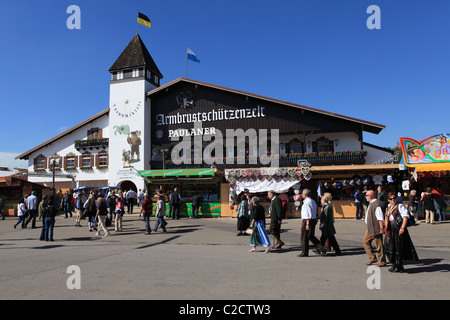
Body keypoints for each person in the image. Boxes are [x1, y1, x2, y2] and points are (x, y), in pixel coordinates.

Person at [384, 192, 419, 272]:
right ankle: (394, 264)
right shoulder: (388, 207)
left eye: (394, 198)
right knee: (390, 246)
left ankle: (399, 265)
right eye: (391, 199)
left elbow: (405, 217)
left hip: (398, 228)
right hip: (391, 229)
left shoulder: (399, 206)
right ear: (388, 200)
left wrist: (402, 228)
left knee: (398, 247)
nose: (393, 200)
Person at [298, 189, 326, 257]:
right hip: (313, 219)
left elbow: (308, 213)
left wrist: (307, 223)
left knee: (304, 237)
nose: (302, 195)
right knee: (311, 236)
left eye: (302, 194)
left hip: (308, 220)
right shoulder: (313, 201)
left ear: (305, 194)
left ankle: (304, 252)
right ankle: (321, 248)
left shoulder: (307, 202)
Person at [363, 190, 386, 267]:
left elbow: (380, 218)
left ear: (371, 196)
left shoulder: (376, 204)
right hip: (370, 227)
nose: (365, 197)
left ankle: (382, 261)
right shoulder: (371, 203)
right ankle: (372, 257)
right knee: (365, 241)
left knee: (379, 245)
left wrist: (381, 228)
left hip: (376, 227)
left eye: (367, 195)